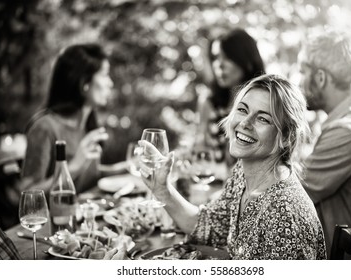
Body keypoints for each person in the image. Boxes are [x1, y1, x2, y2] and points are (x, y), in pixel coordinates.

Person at [139, 74, 326, 260]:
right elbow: (210, 225)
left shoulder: (285, 214)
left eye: (263, 119)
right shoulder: (243, 173)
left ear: (286, 137)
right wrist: (162, 189)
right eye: (243, 110)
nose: (245, 123)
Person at [298, 29, 351, 259]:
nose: (298, 82)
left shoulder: (346, 131)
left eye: (302, 72)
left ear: (320, 77)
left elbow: (290, 198)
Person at [22, 44, 128, 193]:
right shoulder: (45, 127)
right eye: (104, 75)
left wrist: (127, 167)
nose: (110, 83)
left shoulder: (87, 124)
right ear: (84, 83)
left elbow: (91, 177)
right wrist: (74, 167)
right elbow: (28, 194)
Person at [195, 28, 265, 164]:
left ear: (246, 61)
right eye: (215, 57)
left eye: (227, 58)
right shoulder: (209, 102)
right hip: (212, 181)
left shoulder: (265, 104)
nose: (219, 65)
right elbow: (199, 151)